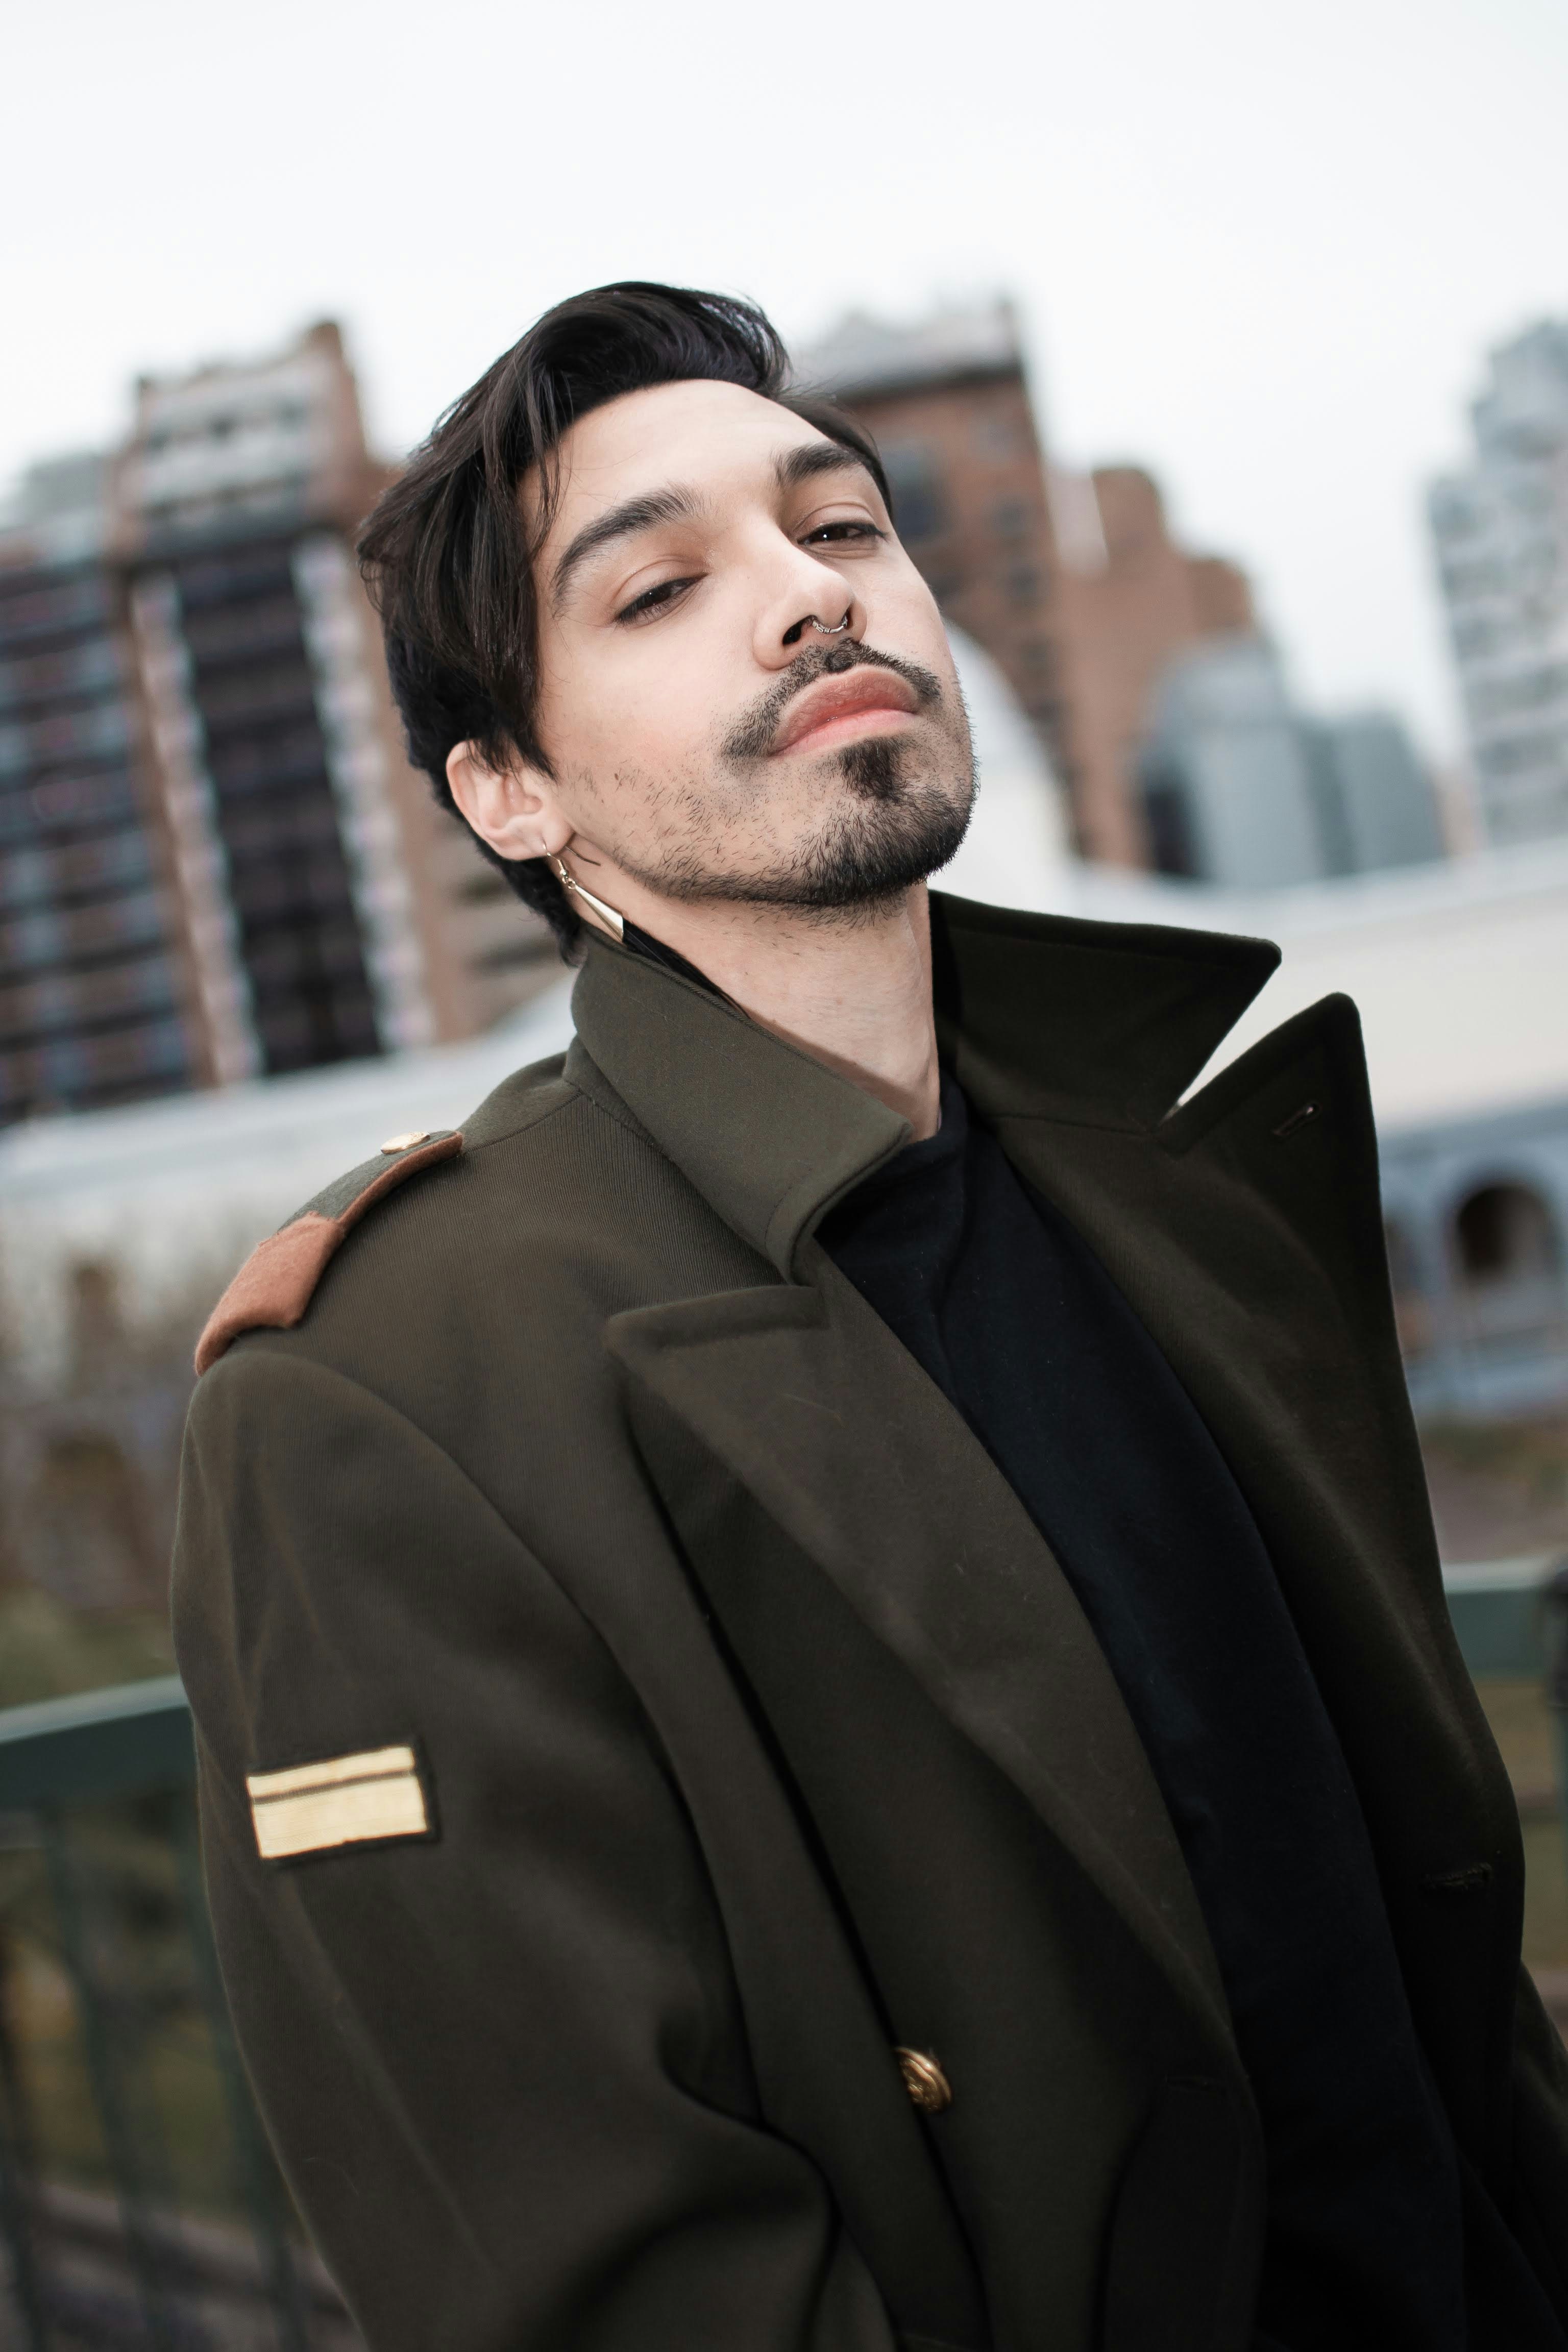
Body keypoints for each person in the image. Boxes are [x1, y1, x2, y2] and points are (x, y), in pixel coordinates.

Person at [172, 283, 1568, 2352]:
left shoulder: (1167, 1170)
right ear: (511, 798)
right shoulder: (381, 1390)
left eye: (838, 530)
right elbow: (607, 2285)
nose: (810, 599)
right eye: (656, 587)